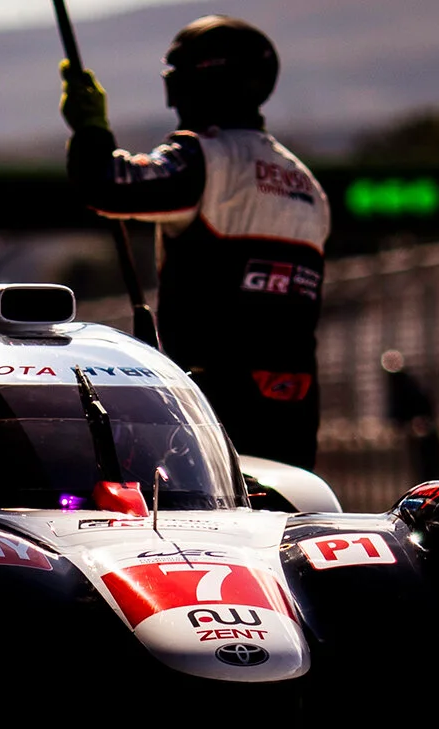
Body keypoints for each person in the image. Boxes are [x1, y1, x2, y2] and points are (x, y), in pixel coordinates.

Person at [59, 16, 330, 467]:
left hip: (214, 401)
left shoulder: (205, 158)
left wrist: (89, 127)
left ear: (192, 86)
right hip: (295, 402)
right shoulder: (307, 183)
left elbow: (105, 184)